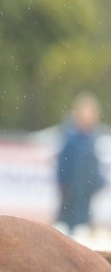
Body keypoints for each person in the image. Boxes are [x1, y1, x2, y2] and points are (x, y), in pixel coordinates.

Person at [55, 92, 104, 235]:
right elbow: (63, 166)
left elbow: (94, 165)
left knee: (83, 229)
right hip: (71, 194)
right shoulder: (70, 138)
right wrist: (64, 186)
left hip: (85, 194)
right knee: (66, 228)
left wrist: (98, 183)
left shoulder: (92, 139)